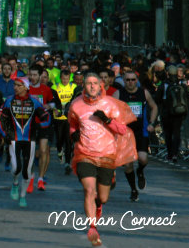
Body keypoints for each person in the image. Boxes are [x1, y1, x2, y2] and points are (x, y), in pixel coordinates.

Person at [69, 72, 136, 246]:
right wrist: (73, 134)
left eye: (95, 83)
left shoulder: (110, 104)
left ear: (101, 86)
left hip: (106, 155)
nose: (91, 86)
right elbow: (72, 125)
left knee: (103, 197)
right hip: (85, 154)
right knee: (89, 191)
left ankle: (99, 205)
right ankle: (92, 226)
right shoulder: (76, 105)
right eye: (88, 83)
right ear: (84, 85)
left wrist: (106, 120)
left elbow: (122, 130)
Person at [0, 77, 50, 208]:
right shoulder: (9, 100)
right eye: (14, 85)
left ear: (26, 87)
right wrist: (5, 134)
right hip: (14, 139)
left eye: (19, 85)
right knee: (16, 168)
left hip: (29, 139)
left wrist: (39, 126)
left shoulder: (34, 102)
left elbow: (46, 117)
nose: (15, 87)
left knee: (26, 171)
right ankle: (15, 183)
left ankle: (22, 195)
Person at [114, 69, 157, 201]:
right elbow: (110, 110)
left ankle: (140, 171)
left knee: (143, 159)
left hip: (141, 131)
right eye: (128, 80)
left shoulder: (143, 93)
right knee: (127, 165)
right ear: (124, 81)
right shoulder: (118, 94)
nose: (131, 82)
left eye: (133, 80)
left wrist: (152, 123)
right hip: (125, 133)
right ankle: (133, 189)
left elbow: (154, 107)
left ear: (136, 81)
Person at [53, 69, 77, 175]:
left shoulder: (73, 87)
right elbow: (52, 101)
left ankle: (67, 163)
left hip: (69, 118)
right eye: (63, 78)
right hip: (58, 118)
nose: (65, 80)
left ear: (70, 78)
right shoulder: (55, 87)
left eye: (67, 78)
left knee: (68, 141)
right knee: (59, 140)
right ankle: (59, 151)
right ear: (60, 78)